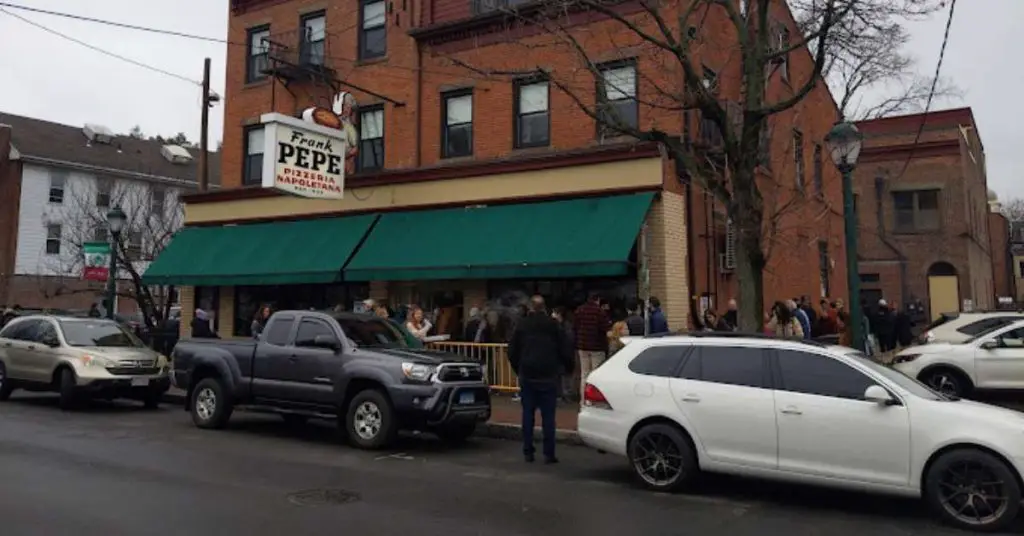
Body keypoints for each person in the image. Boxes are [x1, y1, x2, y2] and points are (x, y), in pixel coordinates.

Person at [508, 295, 574, 464]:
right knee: (549, 416)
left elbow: (512, 351)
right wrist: (566, 368)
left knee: (527, 415)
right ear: (544, 308)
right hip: (548, 374)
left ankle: (528, 451)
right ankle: (548, 453)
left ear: (530, 307)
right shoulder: (553, 325)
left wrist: (519, 368)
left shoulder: (522, 325)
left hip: (528, 374)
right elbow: (564, 348)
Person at [574, 292, 610, 401]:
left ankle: (583, 400)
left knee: (584, 374)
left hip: (582, 346)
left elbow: (575, 327)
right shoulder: (600, 312)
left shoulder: (579, 310)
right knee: (596, 375)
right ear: (597, 300)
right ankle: (593, 400)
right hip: (597, 347)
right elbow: (605, 328)